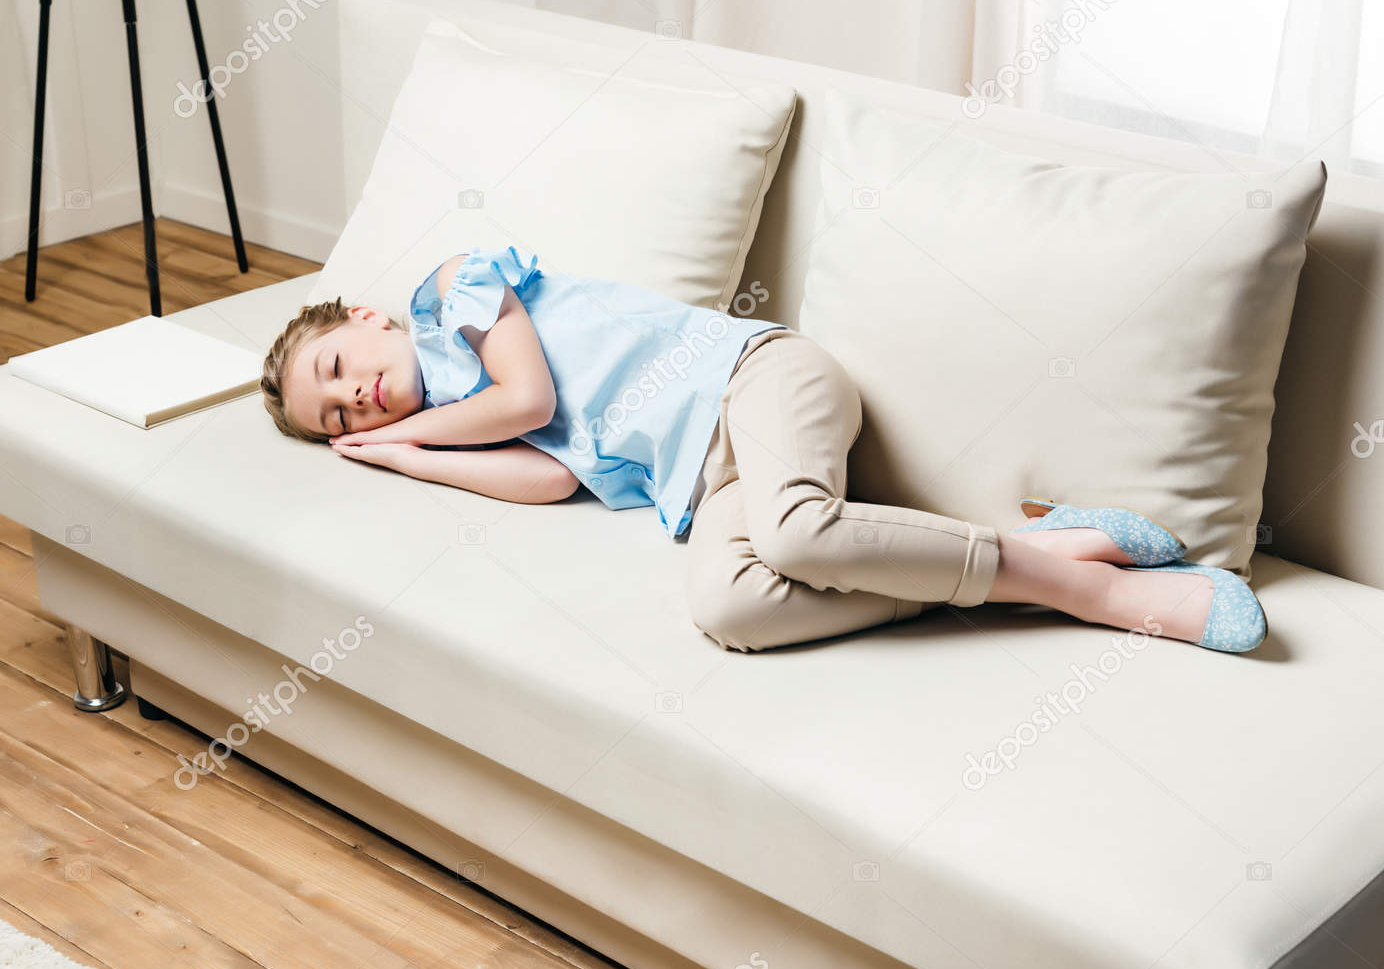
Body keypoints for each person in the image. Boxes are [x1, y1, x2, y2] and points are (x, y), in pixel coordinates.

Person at [260, 246, 1264, 653]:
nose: (355, 400)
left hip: (757, 378)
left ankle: (1100, 595)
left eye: (340, 369)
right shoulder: (456, 425)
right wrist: (412, 460)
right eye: (338, 420)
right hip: (713, 475)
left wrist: (405, 427)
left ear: (365, 316)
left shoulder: (453, 293)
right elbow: (549, 472)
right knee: (730, 606)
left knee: (793, 533)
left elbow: (527, 394)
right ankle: (1052, 548)